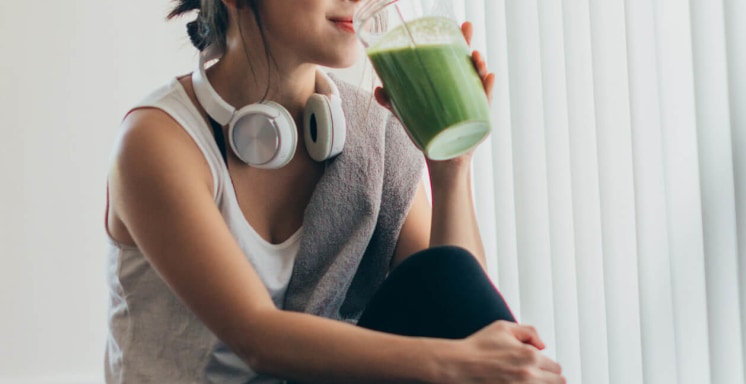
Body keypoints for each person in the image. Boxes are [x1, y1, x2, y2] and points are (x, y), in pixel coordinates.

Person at [102, 0, 564, 382]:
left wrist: (450, 170)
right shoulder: (157, 141)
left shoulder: (371, 130)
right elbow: (256, 336)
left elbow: (451, 295)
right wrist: (461, 365)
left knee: (443, 274)